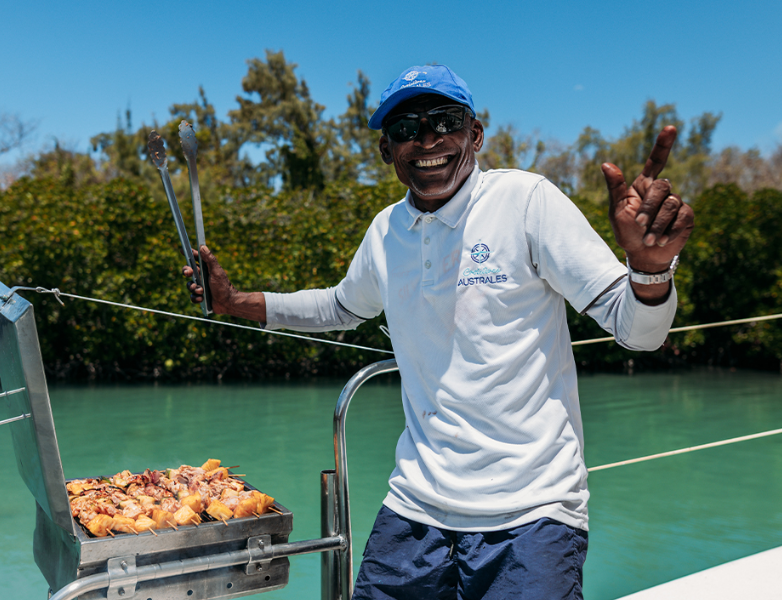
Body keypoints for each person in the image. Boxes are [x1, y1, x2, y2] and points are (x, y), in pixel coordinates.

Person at [183, 65, 694, 599]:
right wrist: (233, 302)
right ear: (387, 150)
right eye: (406, 128)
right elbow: (338, 305)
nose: (427, 140)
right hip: (415, 507)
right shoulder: (386, 232)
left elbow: (638, 332)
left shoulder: (526, 201)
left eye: (444, 121)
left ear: (475, 134)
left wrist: (650, 270)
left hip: (534, 512)